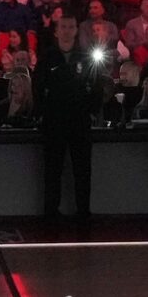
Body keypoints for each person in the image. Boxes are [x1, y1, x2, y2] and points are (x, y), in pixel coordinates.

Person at [34, 12, 106, 222]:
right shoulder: (47, 57)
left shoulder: (86, 56)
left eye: (71, 27)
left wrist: (92, 111)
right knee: (52, 170)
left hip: (80, 121)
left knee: (82, 170)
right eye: (63, 27)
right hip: (54, 122)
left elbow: (97, 87)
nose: (67, 31)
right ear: (56, 31)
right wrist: (42, 113)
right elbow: (38, 87)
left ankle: (83, 213)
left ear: (76, 30)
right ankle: (50, 214)